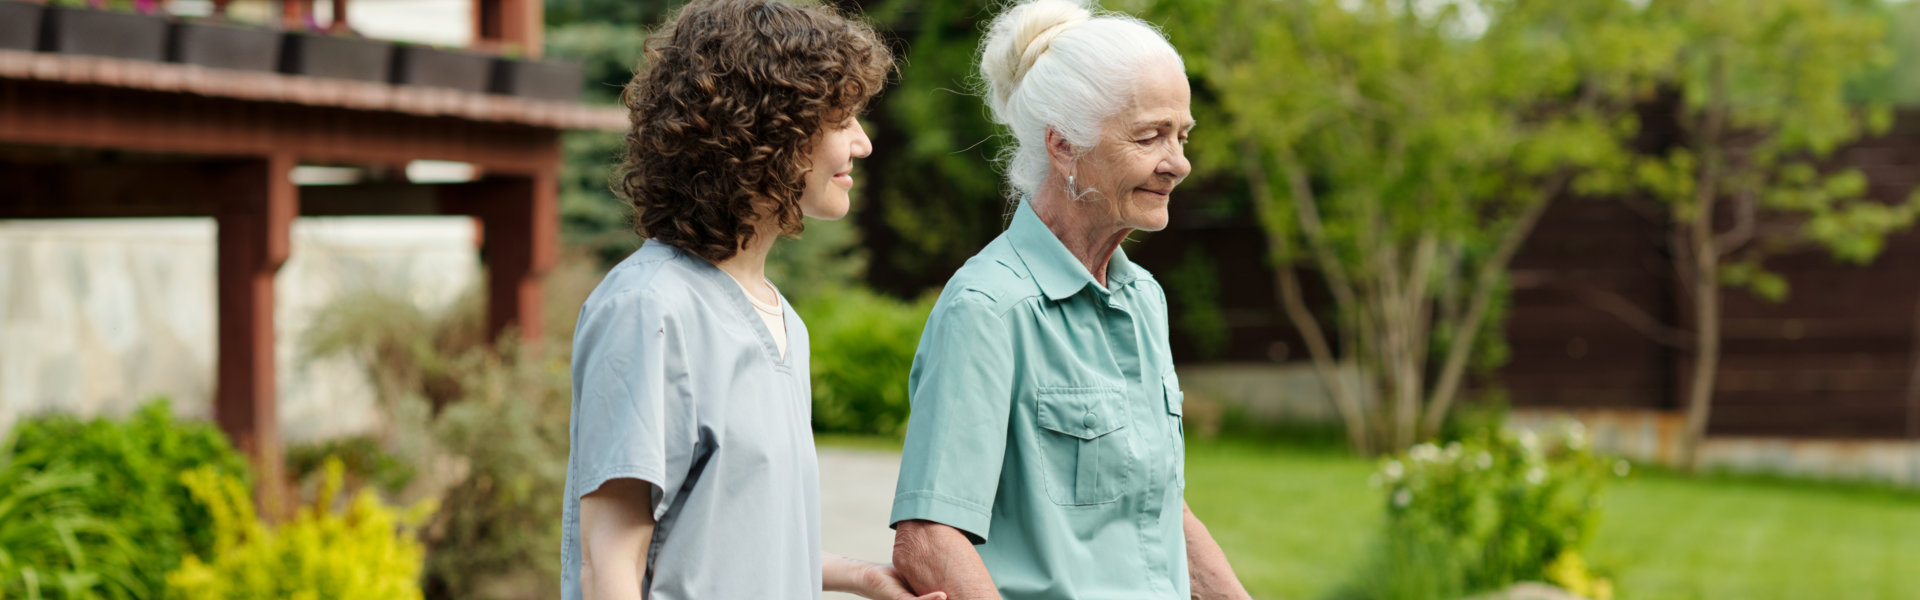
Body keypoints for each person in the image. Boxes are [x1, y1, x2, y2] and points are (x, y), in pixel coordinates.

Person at [562, 1, 941, 599]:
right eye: (842, 120)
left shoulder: (781, 316)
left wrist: (860, 577)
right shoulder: (648, 308)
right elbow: (607, 564)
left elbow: (730, 541)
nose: (863, 144)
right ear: (770, 129)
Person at [886, 1, 1252, 598]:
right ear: (1064, 145)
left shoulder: (1142, 300)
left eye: (1182, 135)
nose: (1179, 163)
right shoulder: (988, 307)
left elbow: (1157, 512)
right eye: (1149, 135)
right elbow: (930, 536)